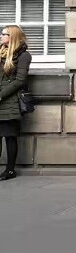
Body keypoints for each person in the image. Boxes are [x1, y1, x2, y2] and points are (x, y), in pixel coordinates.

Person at [0, 25, 31, 182]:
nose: (1, 36)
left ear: (12, 37)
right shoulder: (1, 52)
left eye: (4, 34)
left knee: (9, 136)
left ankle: (10, 170)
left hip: (11, 100)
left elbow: (20, 80)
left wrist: (1, 95)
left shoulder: (23, 55)